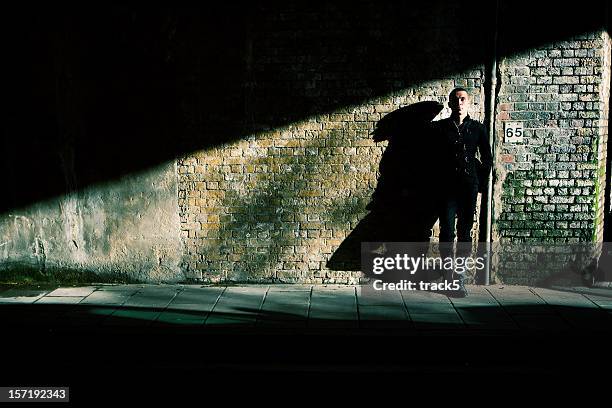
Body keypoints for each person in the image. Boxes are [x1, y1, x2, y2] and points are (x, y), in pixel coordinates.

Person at [432, 88, 493, 297]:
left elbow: (487, 159)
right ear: (449, 103)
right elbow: (430, 159)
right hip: (446, 187)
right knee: (447, 233)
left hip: (468, 187)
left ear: (468, 103)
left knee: (465, 233)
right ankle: (448, 276)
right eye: (455, 99)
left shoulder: (477, 128)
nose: (459, 102)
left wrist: (479, 182)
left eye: (463, 99)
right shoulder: (440, 128)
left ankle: (459, 277)